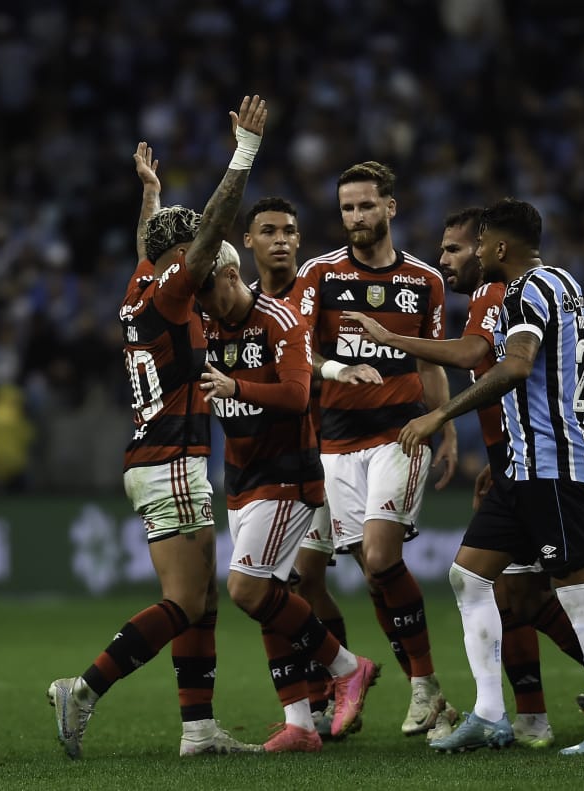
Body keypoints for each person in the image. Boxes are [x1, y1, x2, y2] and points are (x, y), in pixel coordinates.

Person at [346, 207, 584, 750]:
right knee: (470, 576)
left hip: (552, 466)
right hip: (521, 467)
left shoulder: (527, 290)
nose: (477, 252)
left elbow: (513, 367)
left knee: (577, 597)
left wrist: (439, 414)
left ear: (502, 248)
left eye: (480, 244)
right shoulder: (562, 282)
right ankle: (491, 713)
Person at [47, 95, 268, 760]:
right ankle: (82, 688)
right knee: (182, 597)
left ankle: (198, 729)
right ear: (182, 260)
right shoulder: (174, 288)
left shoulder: (140, 286)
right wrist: (245, 154)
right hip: (170, 455)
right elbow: (199, 240)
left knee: (203, 601)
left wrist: (151, 196)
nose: (210, 262)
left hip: (169, 455)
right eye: (198, 253)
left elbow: (156, 245)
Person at [193, 240, 380, 752]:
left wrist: (238, 388)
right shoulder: (203, 322)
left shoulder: (280, 320)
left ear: (231, 274)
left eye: (209, 288)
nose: (204, 300)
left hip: (288, 476)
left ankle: (347, 668)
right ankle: (299, 724)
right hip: (240, 474)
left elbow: (298, 396)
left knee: (247, 590)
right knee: (271, 599)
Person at [294, 161, 457, 737]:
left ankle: (424, 684)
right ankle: (432, 696)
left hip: (400, 434)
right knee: (373, 575)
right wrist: (336, 366)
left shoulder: (424, 282)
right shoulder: (319, 276)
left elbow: (430, 357)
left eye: (366, 206)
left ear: (391, 207)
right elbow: (296, 351)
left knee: (384, 559)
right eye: (347, 208)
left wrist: (447, 425)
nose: (355, 218)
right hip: (335, 441)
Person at [242, 195, 381, 736]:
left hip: (334, 452)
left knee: (355, 573)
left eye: (290, 231)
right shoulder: (245, 305)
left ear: (300, 240)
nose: (281, 239)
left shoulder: (318, 291)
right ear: (250, 242)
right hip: (280, 460)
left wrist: (336, 368)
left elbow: (314, 359)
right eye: (269, 231)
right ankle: (327, 695)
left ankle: (414, 685)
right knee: (301, 584)